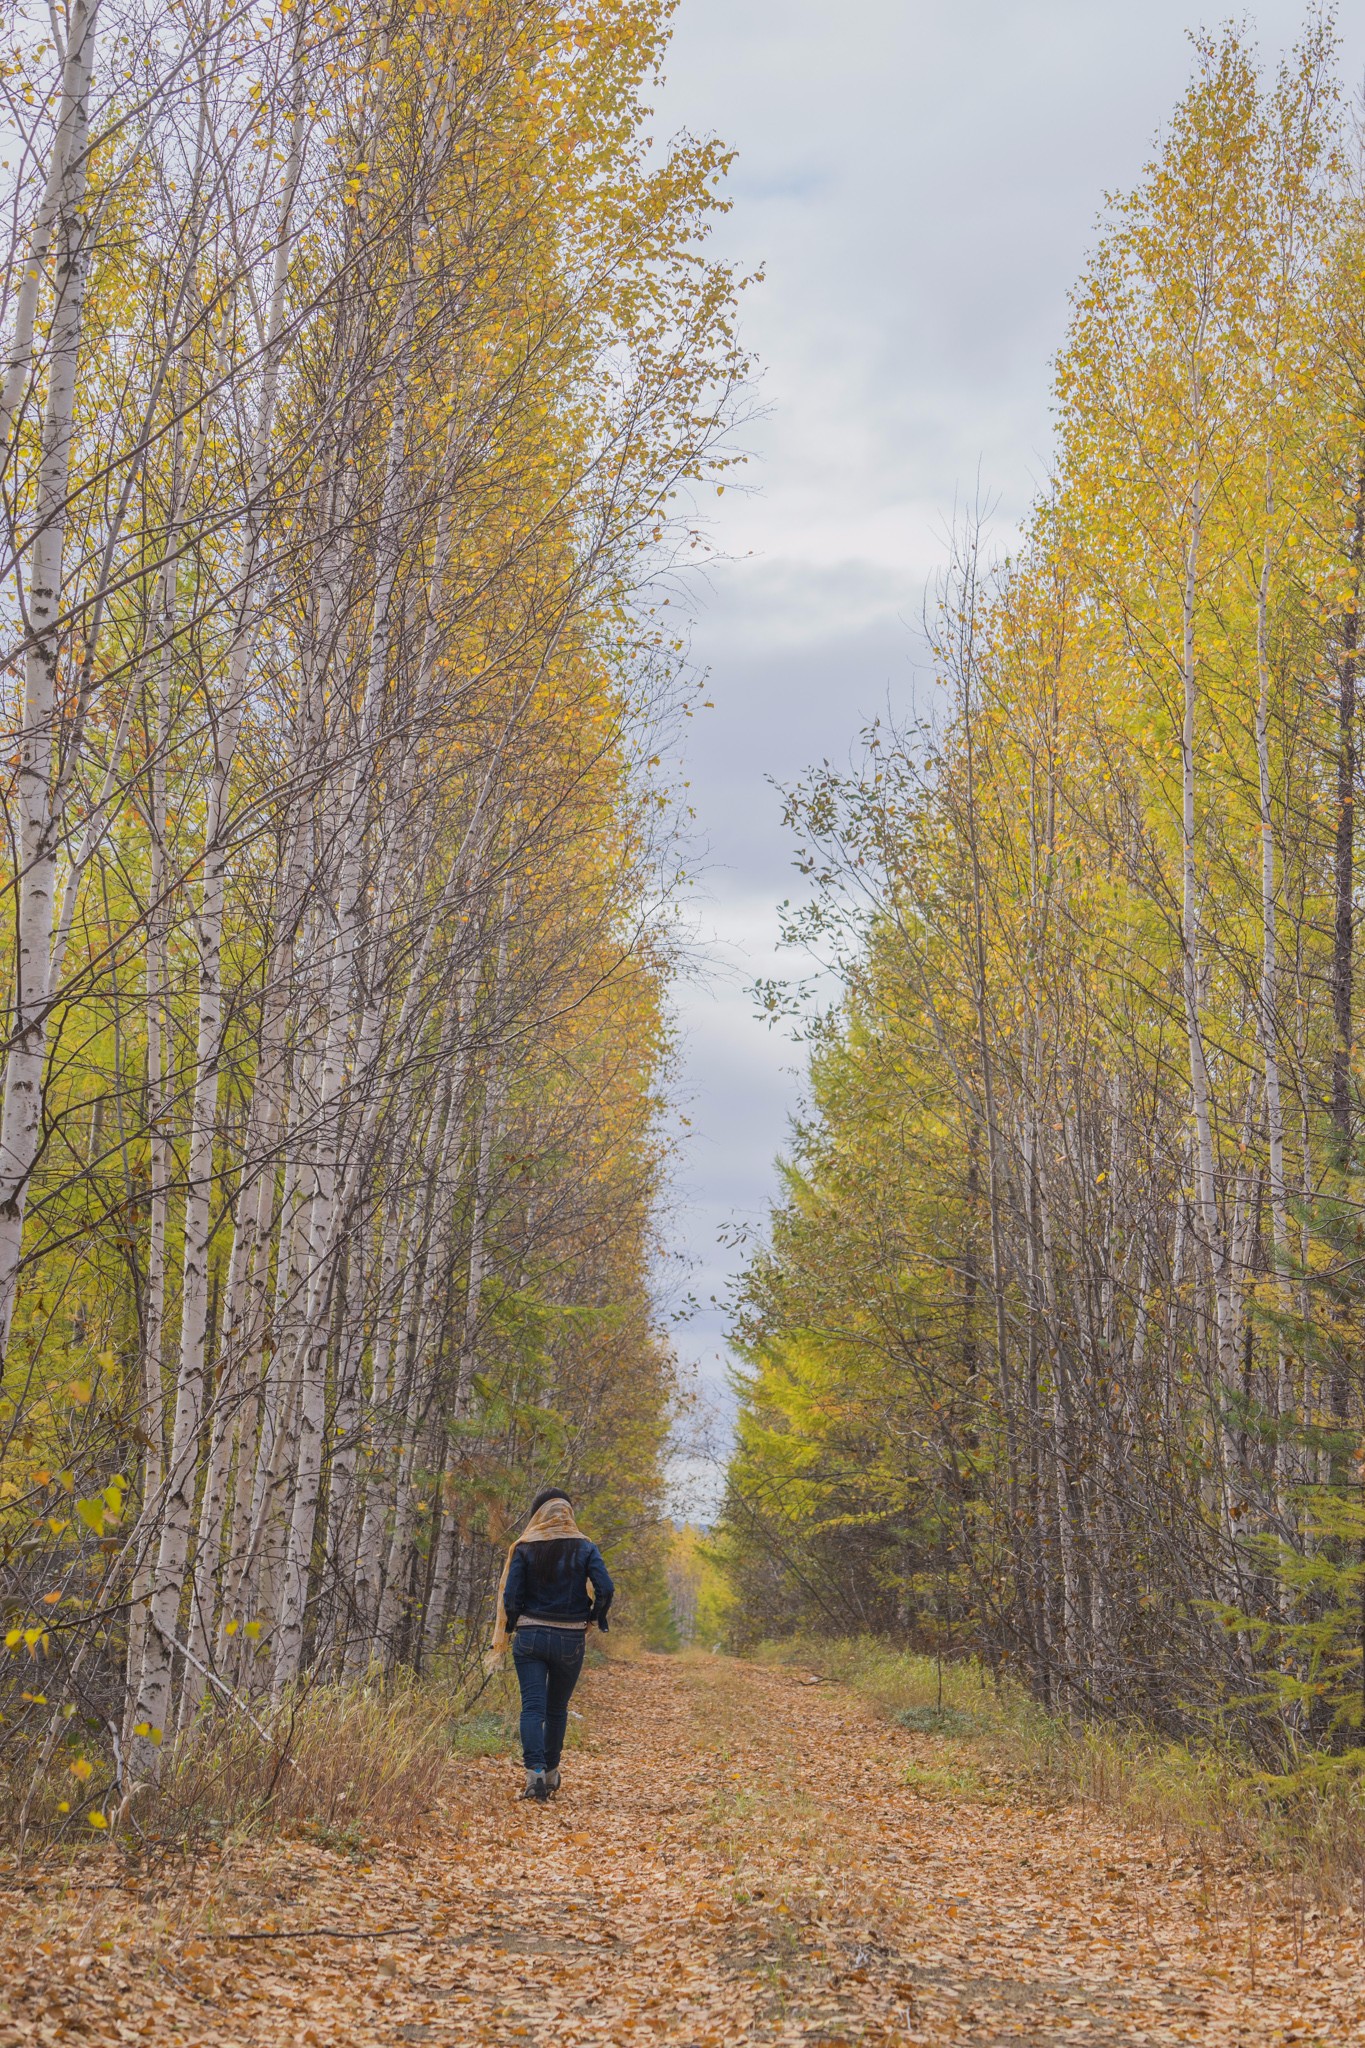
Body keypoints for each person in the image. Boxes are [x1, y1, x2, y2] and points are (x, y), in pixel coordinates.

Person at [490, 1488, 614, 1801]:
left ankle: (534, 1777)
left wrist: (516, 1623)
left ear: (538, 1514)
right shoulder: (585, 1546)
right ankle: (551, 1773)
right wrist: (593, 1617)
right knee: (557, 1708)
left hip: (530, 1636)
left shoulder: (523, 1547)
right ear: (568, 1513)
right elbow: (606, 1588)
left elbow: (510, 1596)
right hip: (570, 1638)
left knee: (532, 1707)